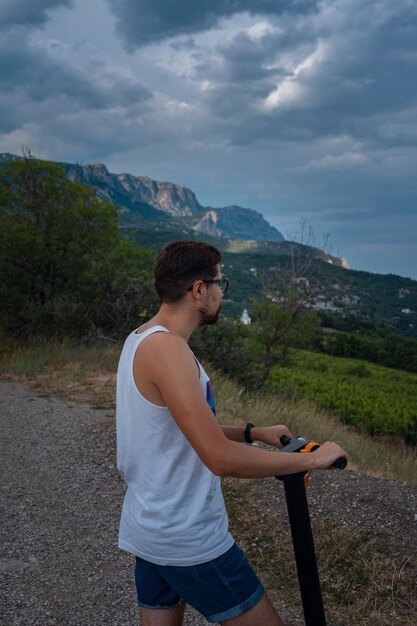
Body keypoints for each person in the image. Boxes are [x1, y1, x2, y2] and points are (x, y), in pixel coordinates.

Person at [116, 240, 348, 626]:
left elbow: (174, 427)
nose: (222, 292)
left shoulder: (139, 338)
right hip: (189, 538)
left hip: (150, 528)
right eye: (221, 284)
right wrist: (310, 459)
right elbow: (218, 459)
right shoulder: (170, 351)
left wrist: (252, 432)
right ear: (198, 289)